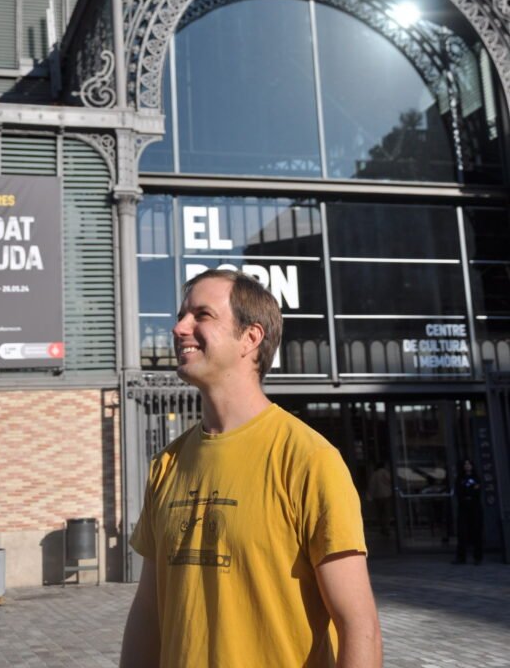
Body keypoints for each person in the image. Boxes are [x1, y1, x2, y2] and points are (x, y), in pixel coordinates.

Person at [120, 269, 382, 668]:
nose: (179, 328)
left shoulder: (308, 459)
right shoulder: (167, 465)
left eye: (201, 315)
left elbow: (358, 625)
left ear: (250, 337)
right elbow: (148, 613)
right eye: (181, 315)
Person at [453, 458, 483, 564]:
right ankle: (461, 557)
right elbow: (459, 492)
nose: (467, 466)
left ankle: (478, 557)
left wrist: (469, 492)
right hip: (463, 508)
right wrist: (469, 492)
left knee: (476, 532)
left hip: (475, 508)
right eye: (465, 464)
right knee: (462, 533)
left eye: (469, 464)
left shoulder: (476, 478)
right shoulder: (460, 478)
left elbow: (477, 491)